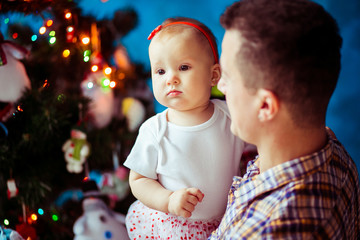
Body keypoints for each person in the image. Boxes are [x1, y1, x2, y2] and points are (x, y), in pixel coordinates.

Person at [209, 0, 360, 239]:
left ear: (266, 105)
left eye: (227, 76)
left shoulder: (262, 232)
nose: (220, 85)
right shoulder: (337, 156)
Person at [123, 17, 249, 239]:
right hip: (174, 225)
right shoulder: (155, 130)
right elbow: (139, 180)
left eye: (183, 67)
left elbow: (261, 142)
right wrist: (168, 200)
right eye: (160, 71)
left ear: (213, 75)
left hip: (225, 221)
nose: (170, 79)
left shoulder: (230, 114)